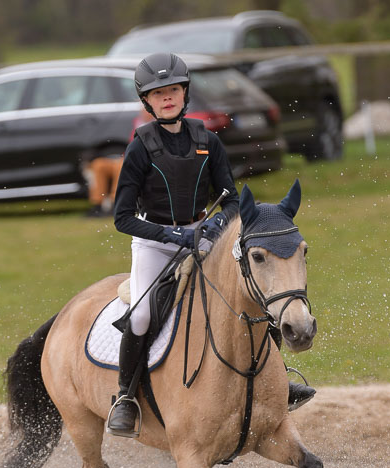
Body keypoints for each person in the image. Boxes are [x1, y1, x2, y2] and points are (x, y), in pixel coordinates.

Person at [109, 52, 313, 437]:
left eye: (173, 90)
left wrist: (215, 223)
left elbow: (232, 200)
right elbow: (122, 218)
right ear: (146, 101)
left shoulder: (208, 141)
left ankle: (278, 382)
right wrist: (171, 235)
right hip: (154, 242)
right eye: (158, 94)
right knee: (140, 317)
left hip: (204, 238)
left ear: (185, 94)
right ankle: (125, 399)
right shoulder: (139, 147)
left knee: (252, 294)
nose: (167, 98)